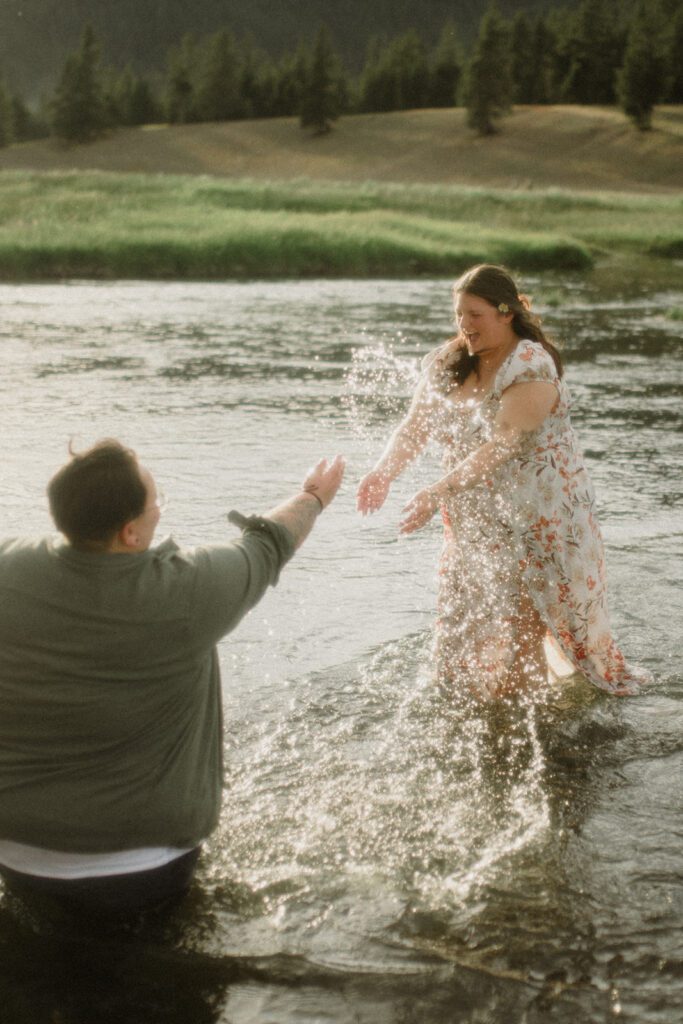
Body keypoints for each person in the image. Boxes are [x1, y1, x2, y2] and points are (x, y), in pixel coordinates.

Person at [0, 439, 344, 917]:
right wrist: (314, 495)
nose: (160, 511)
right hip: (143, 866)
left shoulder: (8, 567)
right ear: (130, 534)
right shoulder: (185, 591)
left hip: (16, 851)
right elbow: (270, 542)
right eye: (155, 503)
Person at [357, 263, 650, 700]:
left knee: (521, 642)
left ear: (506, 312)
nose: (464, 326)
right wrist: (382, 472)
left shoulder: (530, 364)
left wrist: (435, 492)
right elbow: (415, 427)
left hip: (538, 523)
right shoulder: (449, 361)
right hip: (474, 523)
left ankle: (531, 738)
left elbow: (506, 442)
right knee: (459, 634)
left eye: (475, 315)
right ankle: (475, 723)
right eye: (459, 315)